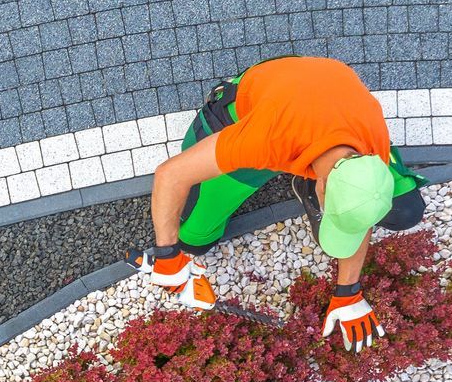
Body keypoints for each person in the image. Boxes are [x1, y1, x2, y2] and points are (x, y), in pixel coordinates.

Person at [131, 57, 429, 351]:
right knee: (194, 240)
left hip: (320, 91)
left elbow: (360, 208)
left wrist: (348, 291)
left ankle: (302, 182)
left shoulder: (371, 147)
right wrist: (168, 254)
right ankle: (290, 176)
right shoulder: (266, 138)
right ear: (322, 186)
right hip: (253, 107)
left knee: (405, 209)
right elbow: (170, 175)